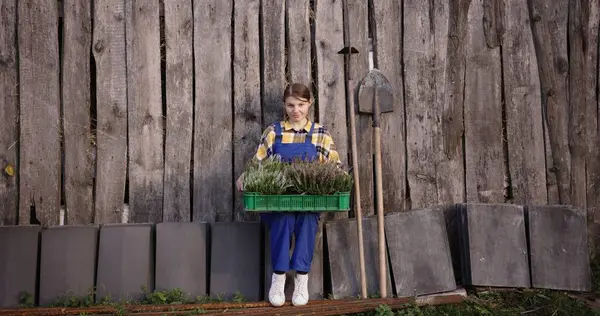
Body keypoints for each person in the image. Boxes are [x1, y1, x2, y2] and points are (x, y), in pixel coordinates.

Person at [236, 83, 342, 307]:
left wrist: (339, 179)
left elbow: (335, 167)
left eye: (301, 105)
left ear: (309, 104)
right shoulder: (274, 132)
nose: (296, 110)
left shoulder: (320, 134)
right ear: (284, 105)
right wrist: (246, 176)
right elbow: (258, 162)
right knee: (283, 219)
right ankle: (279, 277)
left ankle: (301, 279)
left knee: (306, 219)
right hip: (277, 200)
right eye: (291, 105)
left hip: (309, 198)